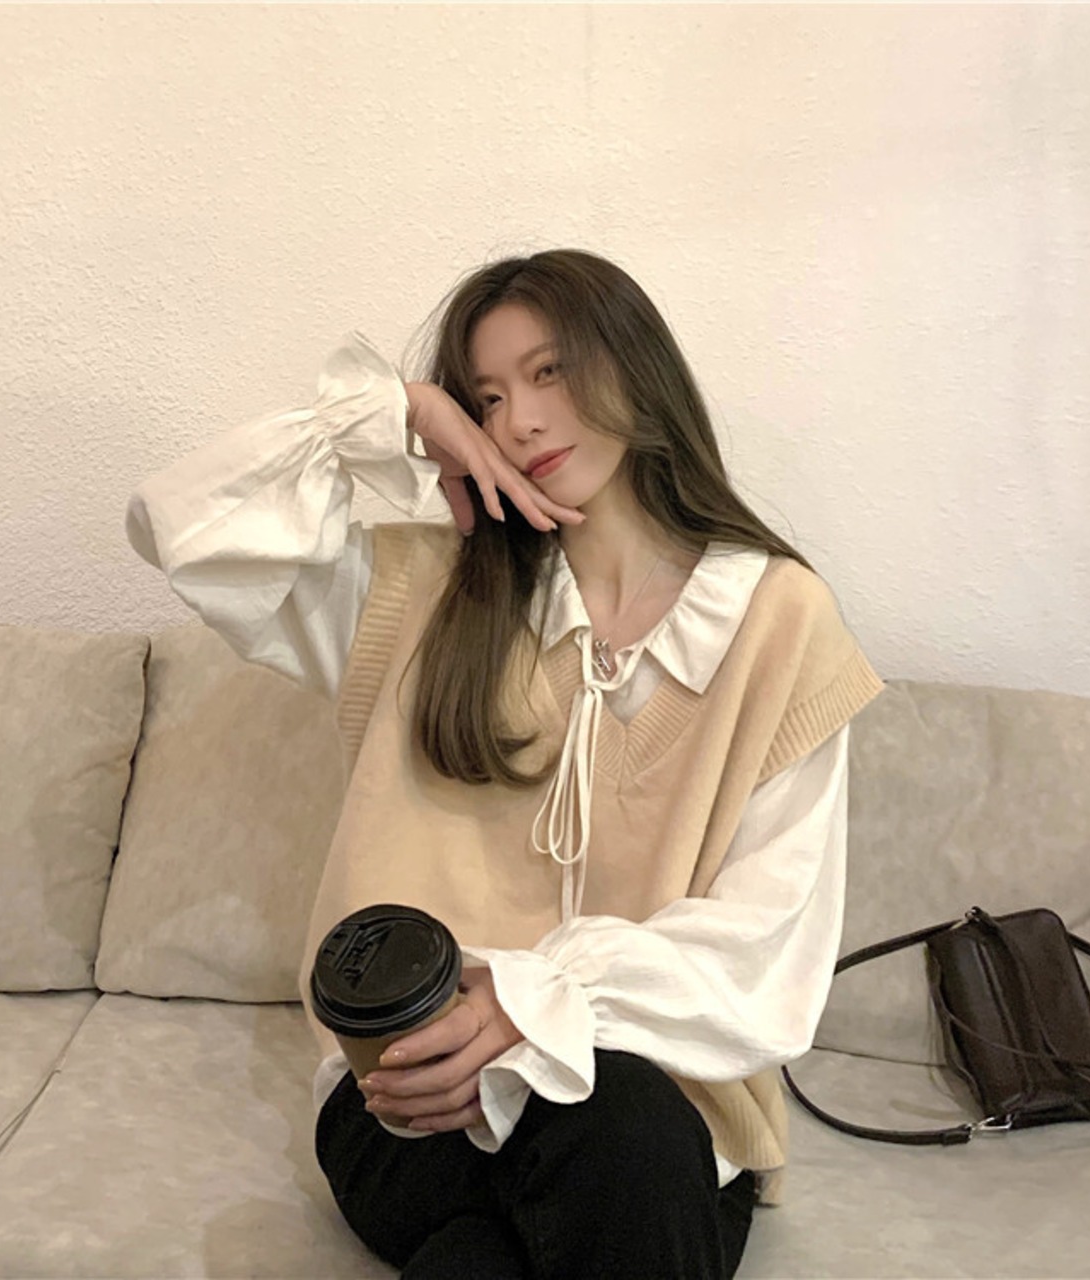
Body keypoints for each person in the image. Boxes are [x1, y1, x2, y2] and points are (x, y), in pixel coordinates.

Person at [126, 248, 883, 1279]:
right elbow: (181, 527)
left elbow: (766, 945)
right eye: (485, 397)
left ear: (635, 365)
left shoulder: (777, 621)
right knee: (610, 1151)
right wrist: (394, 415)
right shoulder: (420, 593)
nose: (519, 420)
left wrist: (533, 1003)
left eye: (550, 371)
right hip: (412, 1095)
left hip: (661, 1099)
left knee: (556, 1177)